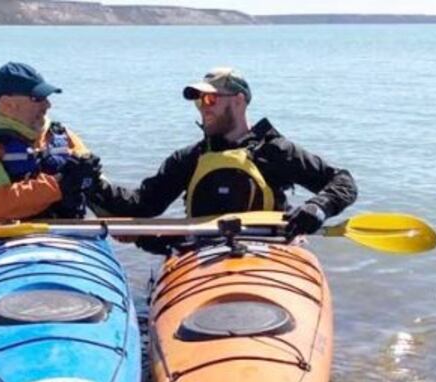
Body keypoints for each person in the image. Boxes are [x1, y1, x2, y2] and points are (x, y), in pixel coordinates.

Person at [92, 67, 357, 252]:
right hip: (203, 254)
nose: (203, 108)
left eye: (210, 99)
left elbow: (343, 181)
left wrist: (318, 207)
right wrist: (93, 183)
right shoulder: (190, 158)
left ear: (238, 101)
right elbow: (142, 205)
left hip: (269, 252)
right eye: (199, 101)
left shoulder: (275, 152)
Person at [0, 62, 101, 223]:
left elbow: (96, 182)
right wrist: (58, 185)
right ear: (8, 103)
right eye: (38, 98)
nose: (48, 105)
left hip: (71, 229)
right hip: (13, 234)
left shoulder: (62, 135)